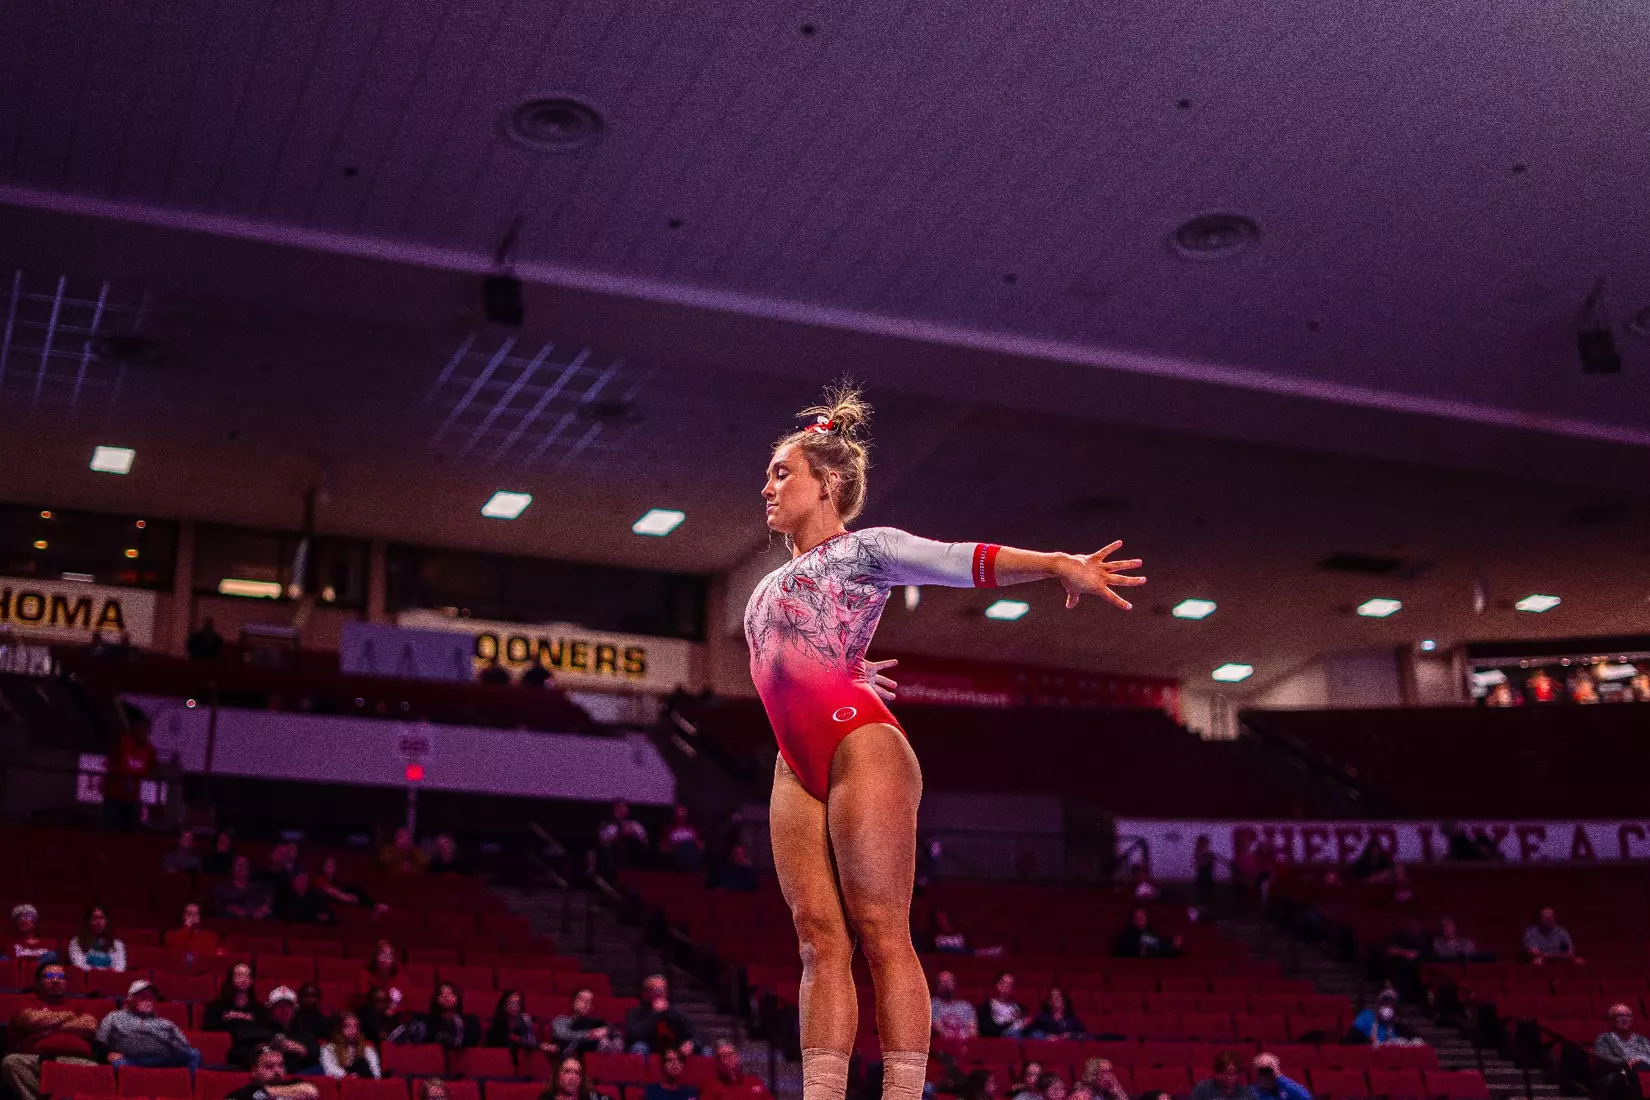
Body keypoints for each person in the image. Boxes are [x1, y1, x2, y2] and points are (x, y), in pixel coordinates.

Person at [749, 385, 1144, 1100]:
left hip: (856, 744)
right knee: (817, 939)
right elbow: (792, 648)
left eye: (784, 472)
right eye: (770, 472)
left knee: (879, 930)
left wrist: (1058, 564)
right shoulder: (768, 581)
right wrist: (839, 660)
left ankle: (903, 1094)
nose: (768, 485)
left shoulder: (864, 549)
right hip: (792, 759)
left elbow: (960, 558)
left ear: (829, 485)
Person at [2, 961, 100, 1100]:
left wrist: (47, 1027)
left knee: (96, 1068)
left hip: (76, 1060)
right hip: (36, 1060)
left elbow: (90, 1026)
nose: (55, 980)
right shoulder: (26, 1001)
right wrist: (71, 1016)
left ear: (66, 981)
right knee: (11, 1062)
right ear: (38, 981)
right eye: (49, 975)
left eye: (60, 976)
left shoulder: (77, 1004)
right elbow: (32, 1021)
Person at [95, 979, 200, 1068]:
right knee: (118, 1063)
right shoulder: (114, 1017)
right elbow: (100, 1041)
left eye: (151, 998)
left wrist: (174, 1048)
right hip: (130, 1061)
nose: (148, 1000)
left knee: (194, 1054)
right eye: (143, 997)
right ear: (130, 999)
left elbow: (185, 1046)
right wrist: (107, 1055)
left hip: (163, 1060)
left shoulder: (166, 1024)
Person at [230, 987, 321, 1073]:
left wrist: (300, 1049)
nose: (284, 1010)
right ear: (271, 1010)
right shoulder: (257, 1030)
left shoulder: (302, 1031)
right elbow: (234, 1056)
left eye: (288, 1006)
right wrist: (265, 1049)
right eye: (279, 1006)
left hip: (294, 1078)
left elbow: (317, 1054)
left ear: (294, 1010)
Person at [102, 717, 156, 832]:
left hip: (133, 797)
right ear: (134, 730)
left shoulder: (150, 750)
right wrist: (123, 777)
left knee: (130, 830)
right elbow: (109, 764)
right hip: (114, 794)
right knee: (111, 829)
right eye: (140, 729)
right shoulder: (122, 744)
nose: (142, 732)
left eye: (145, 730)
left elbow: (152, 771)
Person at [389, 983, 479, 1049]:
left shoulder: (469, 1021)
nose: (446, 996)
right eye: (442, 994)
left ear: (458, 998)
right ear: (436, 999)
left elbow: (471, 1042)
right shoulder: (426, 1022)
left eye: (451, 993)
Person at [626, 974, 695, 1056]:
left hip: (673, 1046)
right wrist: (655, 1014)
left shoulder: (675, 1011)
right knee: (639, 1047)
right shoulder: (635, 1012)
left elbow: (693, 1033)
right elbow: (636, 1036)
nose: (661, 994)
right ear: (646, 994)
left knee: (706, 1051)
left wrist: (691, 1043)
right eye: (657, 991)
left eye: (663, 990)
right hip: (649, 1047)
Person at [225, 1045, 321, 1100]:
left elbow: (312, 1092)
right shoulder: (242, 1094)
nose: (277, 1070)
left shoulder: (295, 1083)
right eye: (269, 1066)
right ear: (254, 1071)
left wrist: (265, 1091)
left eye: (280, 1065)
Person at [551, 988, 621, 1055]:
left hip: (594, 1057)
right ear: (573, 1002)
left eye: (589, 1001)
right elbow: (563, 1034)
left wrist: (607, 1031)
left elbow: (615, 1034)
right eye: (582, 1000)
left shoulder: (597, 1022)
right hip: (569, 1057)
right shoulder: (561, 1020)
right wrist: (590, 1034)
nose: (586, 1004)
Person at [487, 990, 553, 1056]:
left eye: (517, 1004)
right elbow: (508, 1042)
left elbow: (530, 1042)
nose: (514, 1007)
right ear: (504, 1005)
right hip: (500, 1057)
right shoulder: (498, 1024)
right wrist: (538, 1045)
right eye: (511, 1003)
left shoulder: (524, 1020)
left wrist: (541, 1045)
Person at [1351, 989, 1422, 1047]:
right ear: (1379, 1004)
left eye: (1391, 1004)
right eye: (1385, 1003)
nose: (1388, 1007)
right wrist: (1367, 1041)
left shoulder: (1396, 1026)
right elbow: (1352, 1036)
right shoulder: (1366, 1016)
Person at [203, 964, 260, 1035]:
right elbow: (210, 1034)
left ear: (251, 981)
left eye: (247, 975)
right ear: (231, 979)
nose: (244, 979)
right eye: (239, 975)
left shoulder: (259, 1009)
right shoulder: (215, 1007)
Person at [319, 1013, 381, 1079]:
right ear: (340, 1029)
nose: (353, 1030)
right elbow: (330, 1069)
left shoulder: (367, 1050)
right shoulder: (329, 1049)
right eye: (348, 1026)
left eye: (356, 1027)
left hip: (365, 1084)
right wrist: (348, 1076)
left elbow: (376, 1074)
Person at [596, 802, 650, 876]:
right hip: (612, 851)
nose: (622, 810)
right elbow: (602, 840)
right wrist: (619, 834)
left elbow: (644, 841)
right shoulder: (607, 824)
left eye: (624, 808)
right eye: (619, 808)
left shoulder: (634, 824)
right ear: (614, 810)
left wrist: (633, 834)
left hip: (632, 851)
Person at [701, 1040, 765, 1100]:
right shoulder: (712, 1087)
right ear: (718, 1062)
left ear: (738, 1056)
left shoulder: (754, 1081)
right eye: (723, 1056)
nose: (728, 1059)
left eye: (730, 1054)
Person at [68, 906, 127, 972]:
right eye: (94, 918)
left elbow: (120, 968)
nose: (98, 922)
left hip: (111, 980)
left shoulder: (117, 944)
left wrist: (103, 972)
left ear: (106, 921)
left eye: (102, 918)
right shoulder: (76, 942)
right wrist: (102, 972)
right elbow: (79, 966)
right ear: (88, 921)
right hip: (87, 980)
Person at [1112, 908, 1181, 959]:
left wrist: (1173, 946)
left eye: (1144, 916)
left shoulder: (1150, 931)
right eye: (1139, 917)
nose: (1142, 919)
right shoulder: (1127, 935)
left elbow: (1158, 945)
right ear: (1133, 919)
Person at [976, 973, 1029, 1039]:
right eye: (1005, 983)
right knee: (1015, 1033)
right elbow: (987, 1030)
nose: (1008, 986)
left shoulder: (1020, 1008)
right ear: (997, 985)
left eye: (1011, 984)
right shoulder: (986, 1007)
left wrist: (1027, 1023)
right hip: (999, 1040)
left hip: (1020, 1037)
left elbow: (1026, 1027)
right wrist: (1011, 1021)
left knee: (1037, 1034)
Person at [929, 971, 977, 1042]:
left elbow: (973, 1031)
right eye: (942, 982)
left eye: (949, 981)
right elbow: (938, 1029)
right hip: (943, 1047)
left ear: (954, 983)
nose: (946, 985)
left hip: (965, 1045)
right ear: (937, 986)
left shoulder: (966, 1006)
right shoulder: (932, 1005)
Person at [660, 806, 705, 872]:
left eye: (683, 812)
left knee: (688, 846)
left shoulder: (693, 829)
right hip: (675, 856)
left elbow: (702, 846)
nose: (681, 815)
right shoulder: (668, 829)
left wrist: (693, 844)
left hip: (691, 854)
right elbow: (662, 847)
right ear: (675, 815)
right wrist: (678, 846)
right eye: (678, 813)